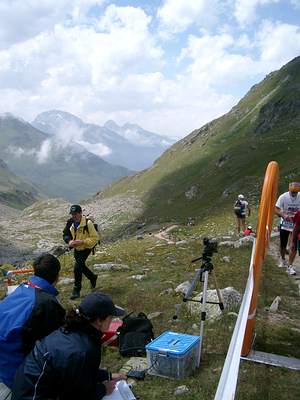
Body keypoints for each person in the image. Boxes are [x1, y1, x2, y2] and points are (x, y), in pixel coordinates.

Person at [12, 292, 126, 400]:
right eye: (110, 318)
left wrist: (107, 375)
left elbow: (79, 373)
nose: (112, 321)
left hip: (29, 388)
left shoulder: (73, 330)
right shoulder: (81, 351)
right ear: (99, 320)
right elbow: (74, 395)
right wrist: (103, 389)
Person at [0, 253, 66, 391]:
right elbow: (57, 346)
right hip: (16, 374)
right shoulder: (47, 303)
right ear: (57, 277)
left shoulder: (21, 289)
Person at [64, 204, 99, 300]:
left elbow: (95, 238)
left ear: (80, 213)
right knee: (81, 266)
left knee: (77, 267)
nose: (73, 216)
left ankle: (76, 290)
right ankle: (92, 277)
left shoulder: (88, 223)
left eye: (75, 214)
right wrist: (69, 241)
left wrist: (83, 241)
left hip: (86, 247)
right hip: (77, 248)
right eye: (72, 214)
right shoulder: (70, 222)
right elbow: (65, 234)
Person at [275, 182, 300, 275]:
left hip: (297, 223)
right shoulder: (283, 197)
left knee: (293, 245)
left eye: (295, 193)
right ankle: (282, 259)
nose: (294, 194)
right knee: (283, 244)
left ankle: (290, 266)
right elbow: (276, 208)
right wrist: (283, 215)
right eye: (292, 192)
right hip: (285, 223)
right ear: (289, 190)